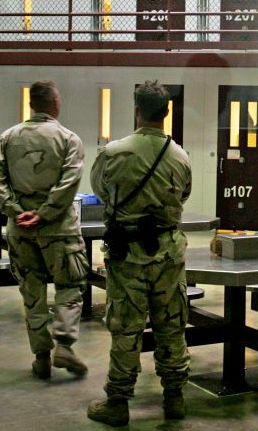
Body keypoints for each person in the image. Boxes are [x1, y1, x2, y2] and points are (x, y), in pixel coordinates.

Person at [87, 80, 192, 427]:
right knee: (171, 325)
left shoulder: (113, 152)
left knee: (125, 328)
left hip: (127, 252)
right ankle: (174, 397)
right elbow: (184, 195)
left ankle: (118, 402)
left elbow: (100, 190)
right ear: (166, 112)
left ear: (136, 111)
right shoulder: (180, 156)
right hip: (168, 253)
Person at [0, 80, 90, 380]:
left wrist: (16, 211)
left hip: (20, 231)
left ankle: (41, 357)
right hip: (60, 230)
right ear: (55, 103)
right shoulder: (69, 139)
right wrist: (44, 214)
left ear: (31, 104)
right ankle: (65, 345)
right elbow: (69, 183)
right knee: (69, 286)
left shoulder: (8, 138)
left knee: (32, 292)